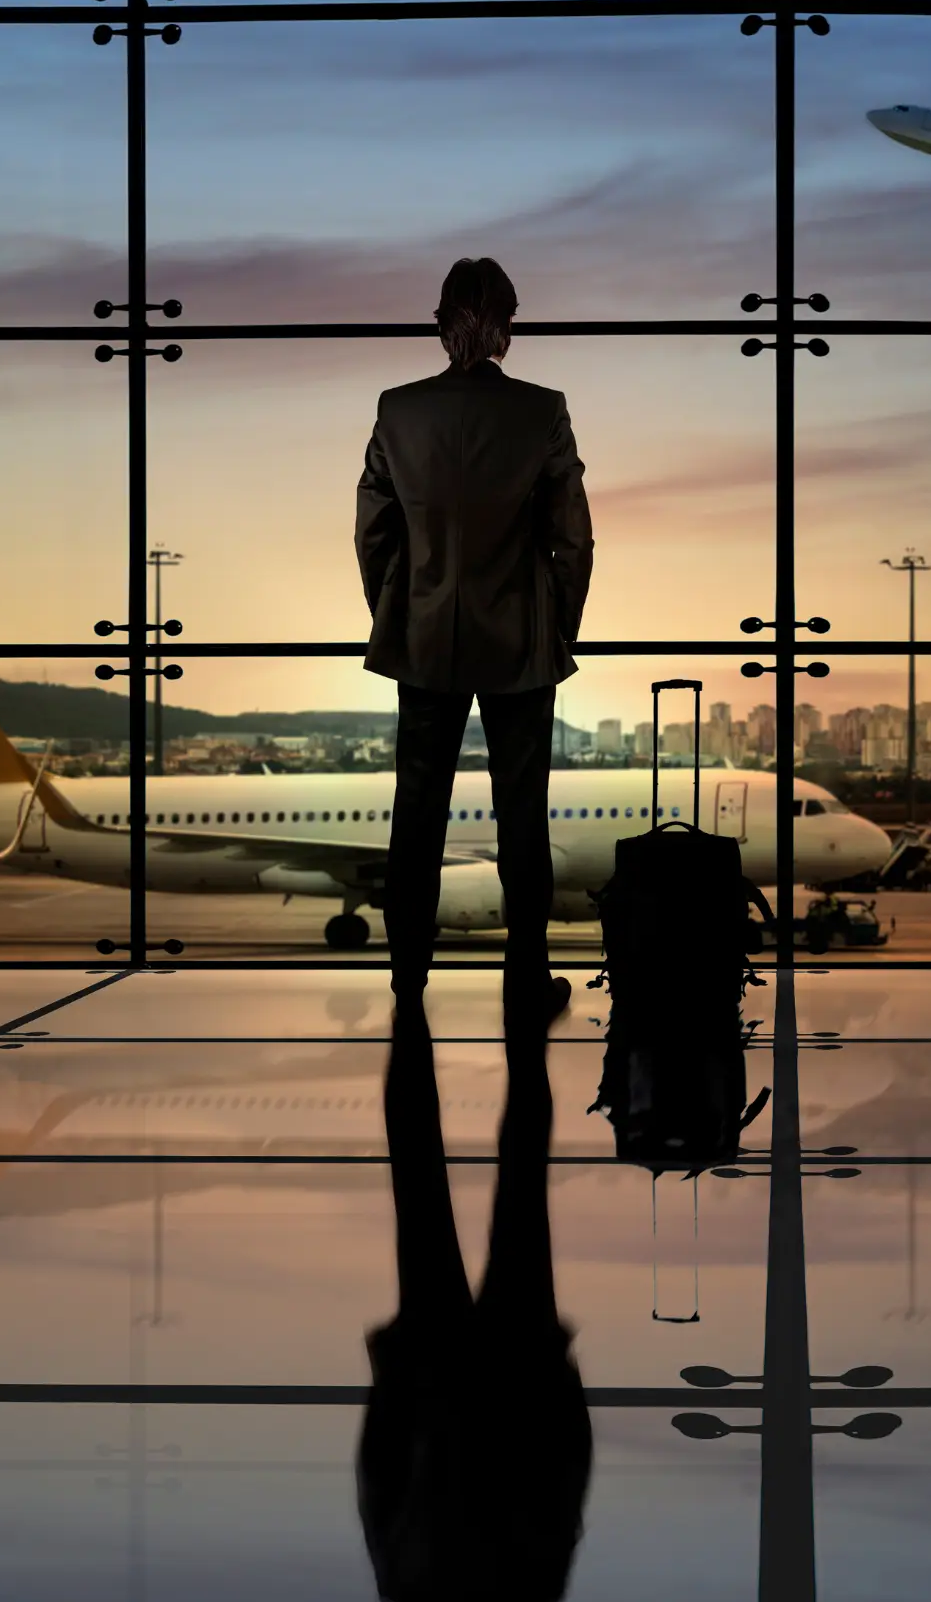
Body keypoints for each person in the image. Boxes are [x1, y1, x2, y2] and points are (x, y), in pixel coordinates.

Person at [358, 257, 594, 1020]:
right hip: (520, 645)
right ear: (507, 324)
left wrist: (401, 613)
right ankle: (526, 983)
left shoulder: (398, 409)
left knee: (416, 817)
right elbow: (573, 540)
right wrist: (556, 629)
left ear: (442, 320)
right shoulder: (543, 410)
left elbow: (374, 533)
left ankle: (407, 985)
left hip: (424, 639)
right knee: (524, 820)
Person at [357, 995, 592, 1600]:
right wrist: (390, 1382)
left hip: (518, 1373)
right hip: (432, 1379)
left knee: (520, 1181)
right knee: (419, 1180)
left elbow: (565, 1484)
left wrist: (562, 1381)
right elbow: (379, 1484)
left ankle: (523, 1041)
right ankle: (410, 1005)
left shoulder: (530, 1590)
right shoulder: (407, 1588)